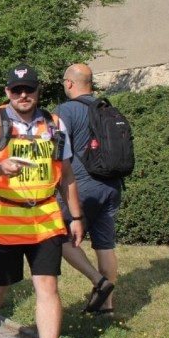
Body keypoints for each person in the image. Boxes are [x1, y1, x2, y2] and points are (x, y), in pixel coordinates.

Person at [0, 63, 83, 338]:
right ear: (7, 92)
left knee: (47, 285)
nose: (23, 95)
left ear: (38, 92)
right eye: (17, 90)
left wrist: (75, 217)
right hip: (3, 216)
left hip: (45, 214)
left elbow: (67, 174)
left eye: (29, 90)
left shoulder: (55, 124)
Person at [56, 63, 119, 315]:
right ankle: (107, 307)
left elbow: (58, 153)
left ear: (69, 83)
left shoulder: (65, 111)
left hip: (82, 185)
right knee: (105, 244)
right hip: (112, 185)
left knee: (59, 237)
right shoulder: (107, 107)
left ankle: (99, 281)